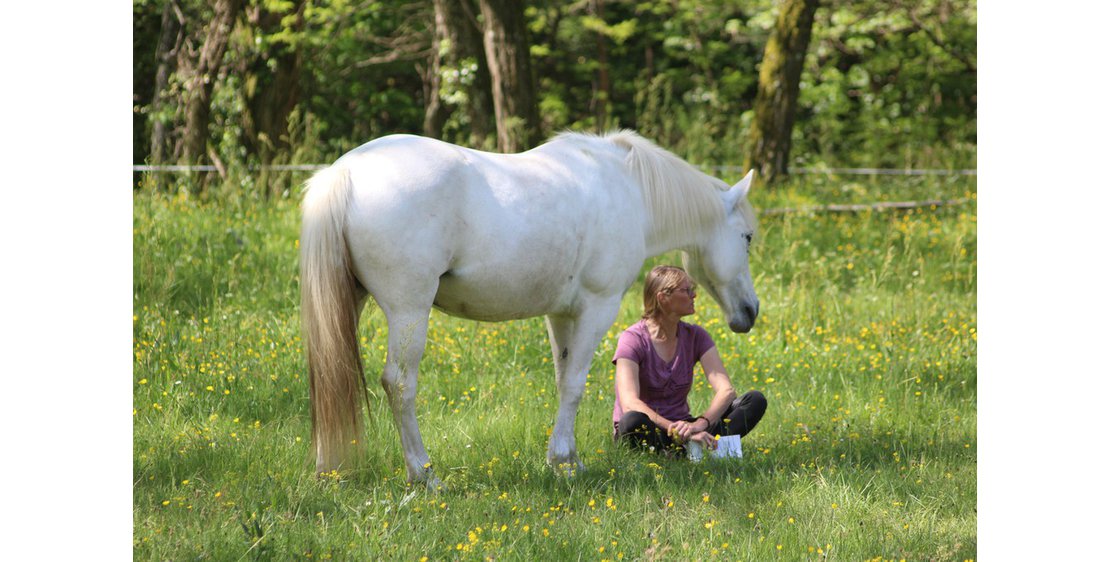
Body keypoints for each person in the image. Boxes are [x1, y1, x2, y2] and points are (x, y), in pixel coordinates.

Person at [612, 265, 767, 456]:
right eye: (686, 290)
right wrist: (674, 430)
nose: (694, 295)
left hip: (688, 427)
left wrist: (699, 425)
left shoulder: (696, 336)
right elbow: (629, 402)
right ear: (663, 298)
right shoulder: (632, 339)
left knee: (755, 401)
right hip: (652, 427)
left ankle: (688, 450)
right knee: (632, 421)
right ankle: (692, 451)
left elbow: (726, 391)